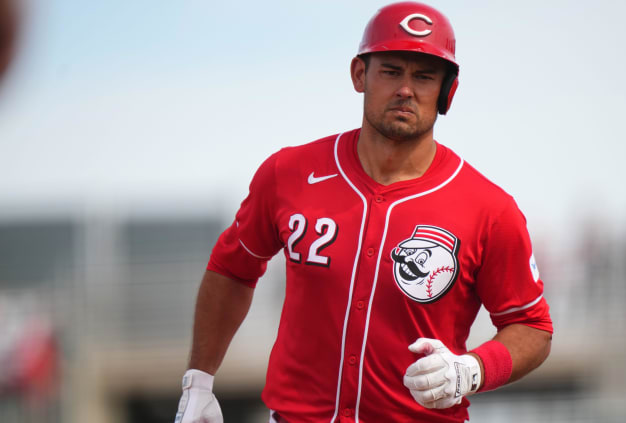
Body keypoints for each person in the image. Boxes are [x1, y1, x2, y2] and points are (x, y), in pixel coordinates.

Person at [175, 2, 553, 422]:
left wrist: (474, 370)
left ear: (448, 91)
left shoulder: (490, 209)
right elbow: (232, 268)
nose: (406, 89)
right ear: (360, 75)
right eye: (391, 71)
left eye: (424, 76)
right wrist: (199, 379)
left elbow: (532, 327)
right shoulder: (288, 172)